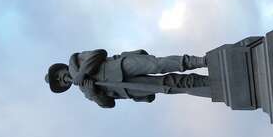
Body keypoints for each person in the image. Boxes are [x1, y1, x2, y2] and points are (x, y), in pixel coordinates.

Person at [45, 49, 209, 108]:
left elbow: (99, 53)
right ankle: (206, 83)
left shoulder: (76, 60)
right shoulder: (85, 90)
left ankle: (200, 61)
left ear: (62, 69)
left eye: (58, 76)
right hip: (126, 87)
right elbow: (109, 104)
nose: (62, 80)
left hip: (120, 66)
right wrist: (93, 94)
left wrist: (82, 73)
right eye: (60, 83)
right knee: (168, 84)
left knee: (158, 65)